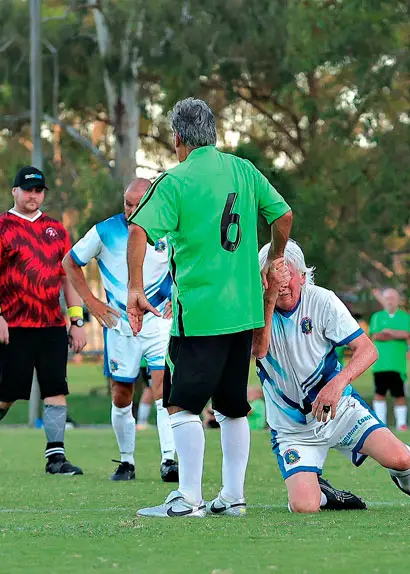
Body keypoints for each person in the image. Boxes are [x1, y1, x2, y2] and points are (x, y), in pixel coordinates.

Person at [127, 98, 293, 518]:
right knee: (232, 405)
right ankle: (233, 498)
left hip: (198, 314)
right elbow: (284, 215)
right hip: (244, 311)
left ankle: (189, 500)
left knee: (181, 405)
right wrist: (275, 256)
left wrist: (133, 288)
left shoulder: (176, 180)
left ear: (178, 138)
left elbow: (139, 230)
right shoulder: (244, 170)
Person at [254, 240, 410, 513]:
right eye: (272, 277)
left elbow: (367, 350)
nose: (281, 284)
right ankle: (327, 495)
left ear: (302, 275)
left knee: (402, 460)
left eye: (287, 276)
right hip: (291, 428)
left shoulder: (322, 300)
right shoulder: (254, 308)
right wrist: (268, 299)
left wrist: (337, 384)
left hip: (339, 410)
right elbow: (258, 350)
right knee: (303, 506)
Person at [0, 166, 87, 475]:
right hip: (12, 327)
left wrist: (77, 320)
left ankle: (55, 459)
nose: (33, 195)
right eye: (27, 189)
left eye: (38, 190)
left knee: (55, 388)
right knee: (7, 393)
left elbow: (68, 279)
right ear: (15, 191)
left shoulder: (57, 230)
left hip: (50, 326)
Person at [62, 178, 178, 482]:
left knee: (163, 389)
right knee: (121, 394)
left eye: (137, 203)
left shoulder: (169, 230)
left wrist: (177, 298)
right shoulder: (104, 231)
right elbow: (70, 262)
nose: (131, 209)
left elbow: (186, 264)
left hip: (158, 324)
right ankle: (126, 461)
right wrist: (92, 303)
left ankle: (169, 460)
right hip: (120, 326)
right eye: (127, 203)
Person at [369, 288, 410, 430]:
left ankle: (401, 424)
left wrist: (389, 332)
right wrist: (394, 335)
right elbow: (376, 335)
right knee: (379, 393)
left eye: (392, 298)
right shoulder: (377, 317)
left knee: (399, 395)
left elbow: (405, 334)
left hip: (398, 364)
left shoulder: (404, 317)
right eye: (387, 298)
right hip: (380, 364)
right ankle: (380, 424)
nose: (390, 301)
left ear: (398, 300)